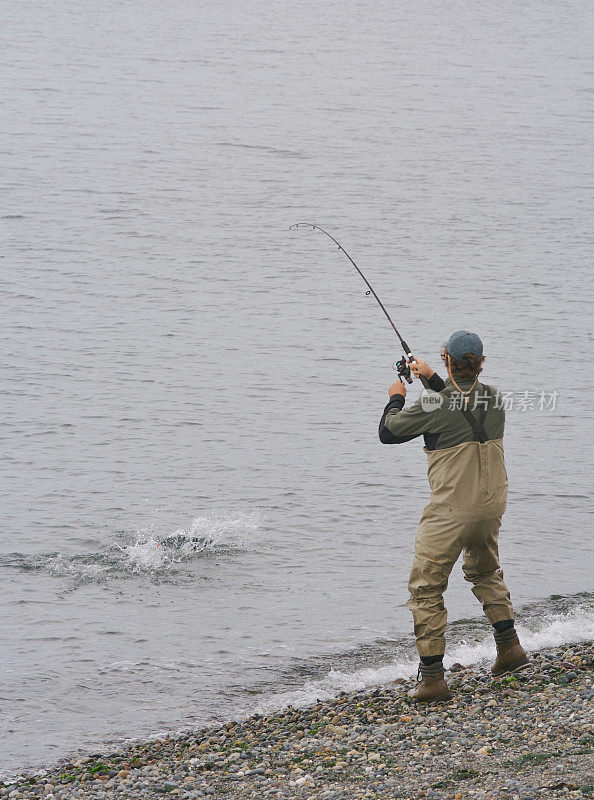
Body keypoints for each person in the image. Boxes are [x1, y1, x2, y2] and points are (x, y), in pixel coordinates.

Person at [378, 330, 528, 702]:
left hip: (450, 511)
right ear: (482, 363)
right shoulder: (493, 397)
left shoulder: (436, 404)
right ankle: (510, 650)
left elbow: (389, 433)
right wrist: (430, 378)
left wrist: (396, 398)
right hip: (491, 505)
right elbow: (458, 401)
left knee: (426, 588)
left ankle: (432, 680)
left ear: (447, 359)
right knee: (484, 571)